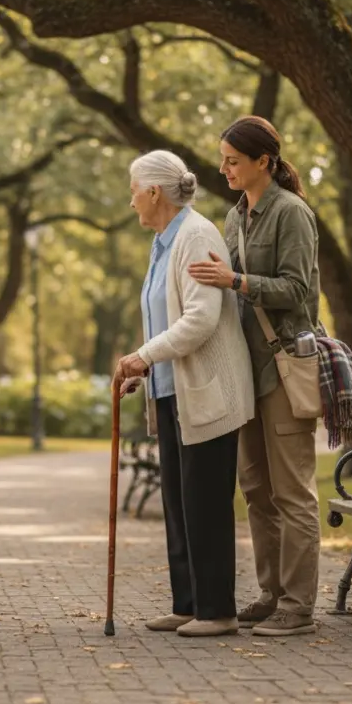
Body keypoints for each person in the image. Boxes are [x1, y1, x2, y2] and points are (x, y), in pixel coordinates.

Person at [187, 116, 323, 637]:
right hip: (246, 371)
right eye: (222, 160)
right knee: (257, 491)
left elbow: (298, 291)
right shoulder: (234, 216)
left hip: (284, 366)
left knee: (293, 493)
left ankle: (298, 606)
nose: (224, 169)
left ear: (263, 161)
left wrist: (236, 280)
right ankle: (271, 594)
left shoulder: (291, 213)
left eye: (233, 161)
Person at [115, 150, 255, 638]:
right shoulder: (162, 243)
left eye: (134, 191)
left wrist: (145, 355)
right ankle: (189, 604)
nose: (131, 201)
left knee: (205, 504)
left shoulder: (195, 235)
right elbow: (164, 316)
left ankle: (218, 612)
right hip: (172, 392)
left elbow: (200, 318)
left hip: (206, 391)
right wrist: (144, 367)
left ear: (155, 192)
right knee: (178, 502)